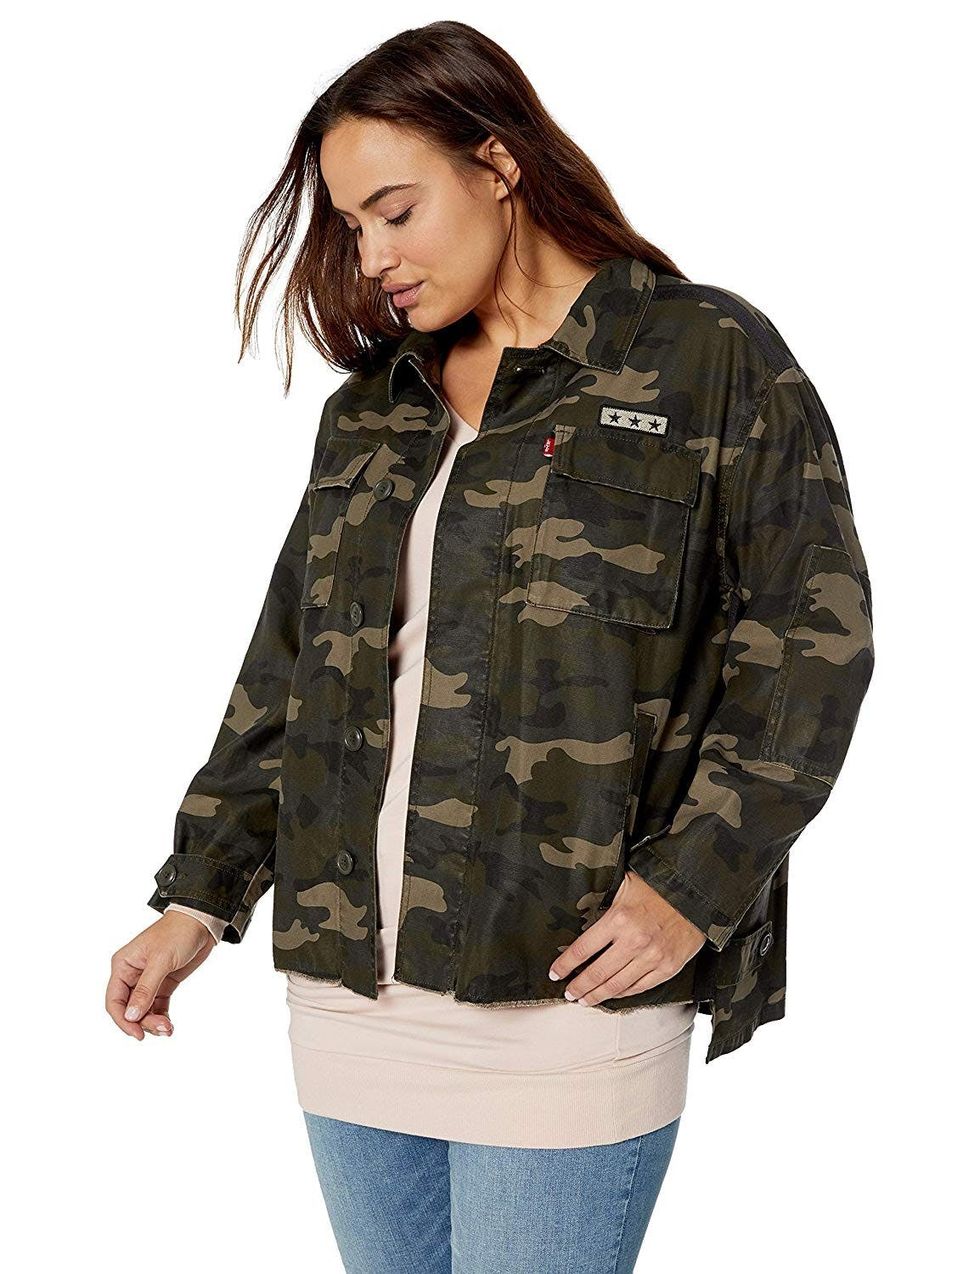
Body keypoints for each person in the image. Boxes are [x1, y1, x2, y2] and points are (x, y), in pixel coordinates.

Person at [105, 20, 875, 1273]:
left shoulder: (702, 356)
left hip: (563, 986)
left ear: (498, 164)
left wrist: (694, 885)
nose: (373, 256)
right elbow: (289, 670)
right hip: (349, 991)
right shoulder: (373, 410)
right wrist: (197, 895)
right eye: (351, 226)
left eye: (395, 211)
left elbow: (809, 639)